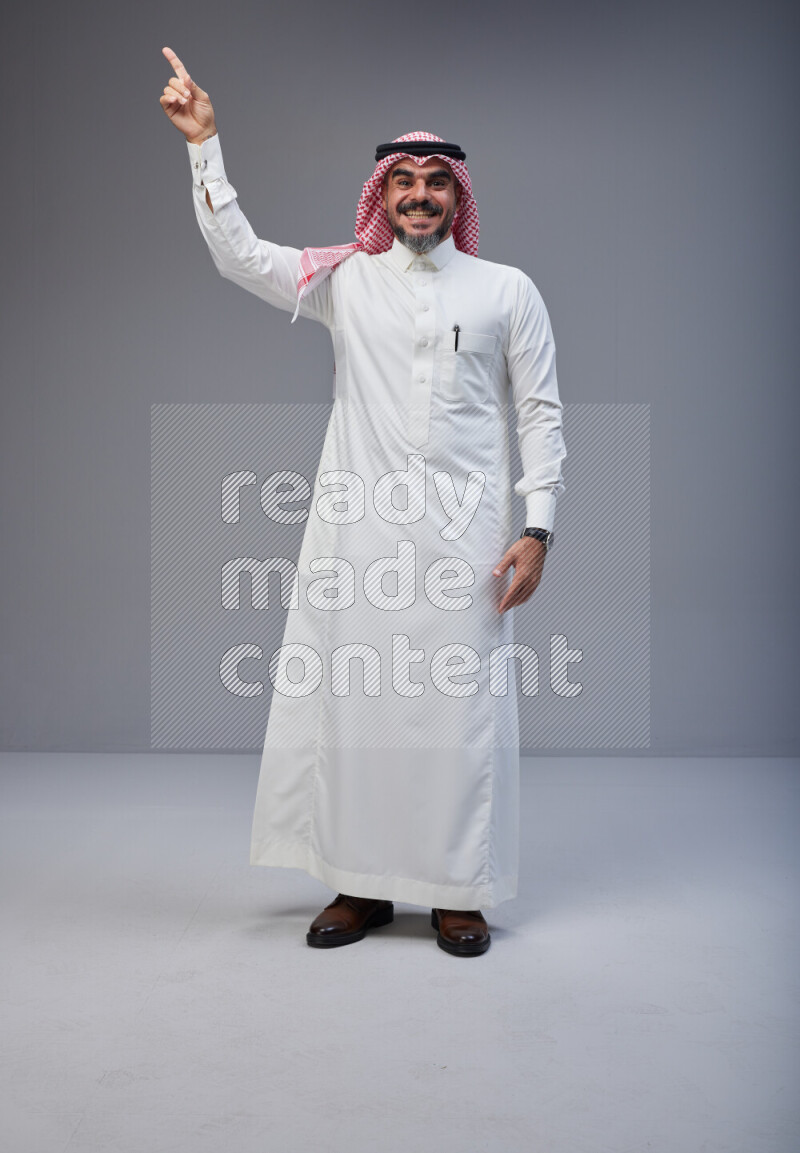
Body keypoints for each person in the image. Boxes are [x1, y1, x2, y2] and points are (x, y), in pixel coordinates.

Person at [160, 46, 566, 957]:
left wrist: (537, 528)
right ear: (380, 198)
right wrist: (205, 146)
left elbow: (540, 414)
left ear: (455, 196)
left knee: (456, 716)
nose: (419, 195)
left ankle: (458, 892)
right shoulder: (346, 280)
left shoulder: (508, 291)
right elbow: (239, 256)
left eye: (434, 182)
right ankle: (360, 885)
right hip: (359, 538)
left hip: (470, 545)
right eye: (403, 183)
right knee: (359, 714)